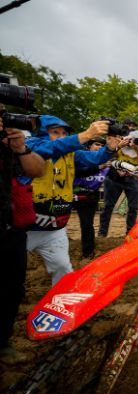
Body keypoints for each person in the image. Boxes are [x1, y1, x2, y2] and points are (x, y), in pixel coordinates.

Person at [24, 116, 117, 286]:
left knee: (63, 270)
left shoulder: (71, 154)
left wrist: (109, 149)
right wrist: (88, 134)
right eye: (55, 132)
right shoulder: (30, 147)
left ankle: (60, 306)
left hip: (54, 229)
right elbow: (50, 148)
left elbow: (94, 158)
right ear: (42, 133)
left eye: (64, 133)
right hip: (24, 229)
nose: (61, 136)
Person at [0, 122, 45, 365]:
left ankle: (3, 342)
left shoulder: (8, 145)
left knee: (12, 288)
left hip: (11, 227)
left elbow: (38, 170)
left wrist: (19, 147)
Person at [98, 118, 138, 237]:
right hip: (114, 176)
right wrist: (119, 146)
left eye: (133, 126)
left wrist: (137, 149)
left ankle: (129, 234)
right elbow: (106, 155)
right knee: (108, 206)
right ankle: (102, 234)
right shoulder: (114, 139)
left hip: (133, 177)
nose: (131, 128)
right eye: (128, 125)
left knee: (133, 208)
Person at [72, 136, 111, 260]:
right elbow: (79, 172)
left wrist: (124, 173)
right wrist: (100, 167)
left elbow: (117, 177)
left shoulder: (108, 163)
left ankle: (88, 253)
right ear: (89, 146)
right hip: (68, 194)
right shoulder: (79, 157)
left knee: (87, 224)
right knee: (59, 223)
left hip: (89, 197)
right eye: (97, 145)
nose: (99, 148)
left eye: (102, 146)